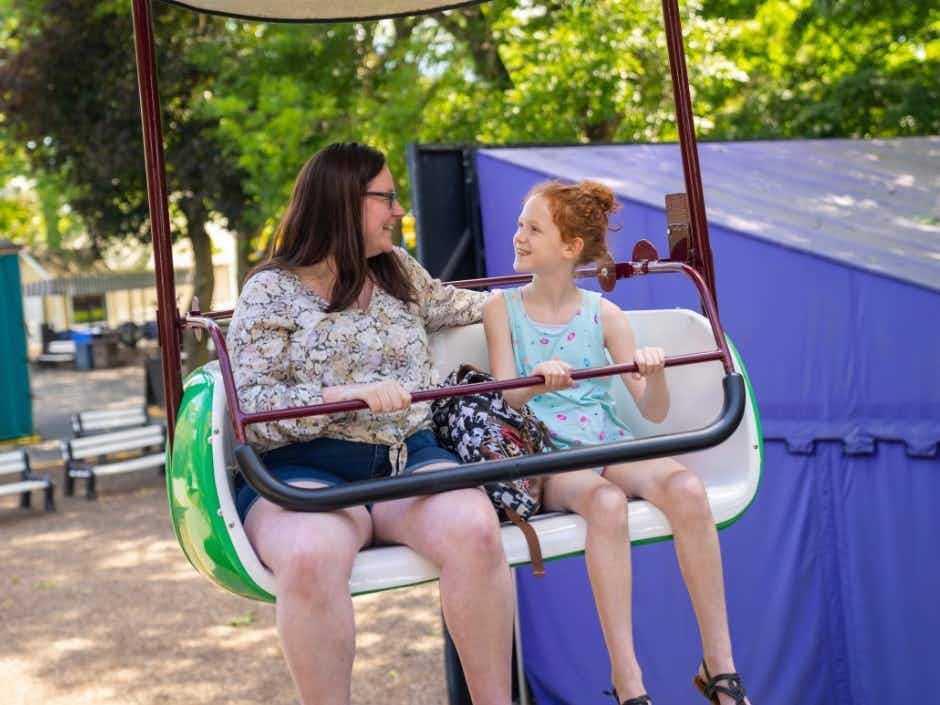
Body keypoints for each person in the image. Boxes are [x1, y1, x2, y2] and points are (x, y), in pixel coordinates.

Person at [227, 142, 513, 705]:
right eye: (387, 198)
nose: (399, 211)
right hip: (308, 467)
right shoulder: (270, 291)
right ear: (344, 203)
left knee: (476, 531)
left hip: (409, 455)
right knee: (311, 556)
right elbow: (254, 411)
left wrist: (567, 307)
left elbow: (471, 306)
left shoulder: (397, 272)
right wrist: (343, 396)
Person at [482, 180, 751, 705]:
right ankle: (628, 679)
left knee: (687, 490)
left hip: (607, 441)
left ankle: (719, 664)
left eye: (532, 228)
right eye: (520, 224)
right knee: (605, 505)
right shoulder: (502, 309)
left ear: (570, 247)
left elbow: (652, 411)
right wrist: (535, 379)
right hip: (552, 452)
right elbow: (505, 396)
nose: (518, 235)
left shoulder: (604, 315)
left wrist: (655, 373)